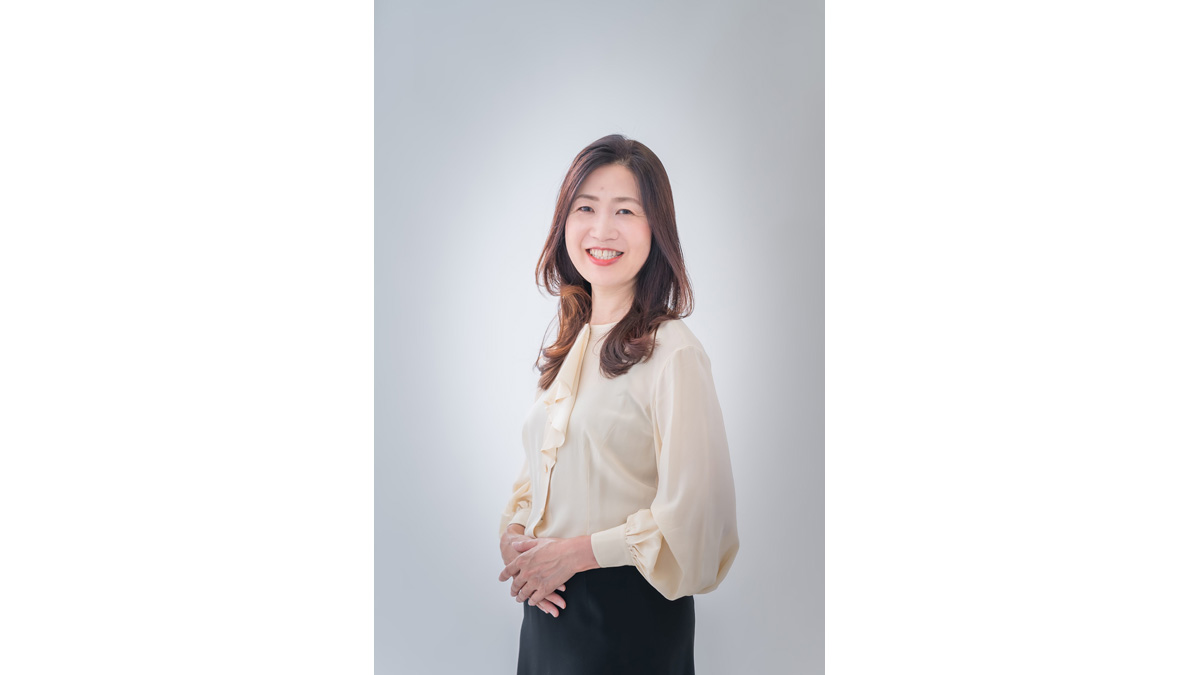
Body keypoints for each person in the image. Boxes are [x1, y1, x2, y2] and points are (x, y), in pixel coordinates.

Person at [496, 134, 739, 675]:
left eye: (625, 210)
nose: (602, 229)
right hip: (548, 614)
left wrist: (577, 553)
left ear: (657, 229)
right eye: (585, 208)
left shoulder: (674, 353)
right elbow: (534, 482)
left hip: (629, 619)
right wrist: (513, 538)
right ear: (564, 222)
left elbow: (700, 521)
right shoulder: (569, 346)